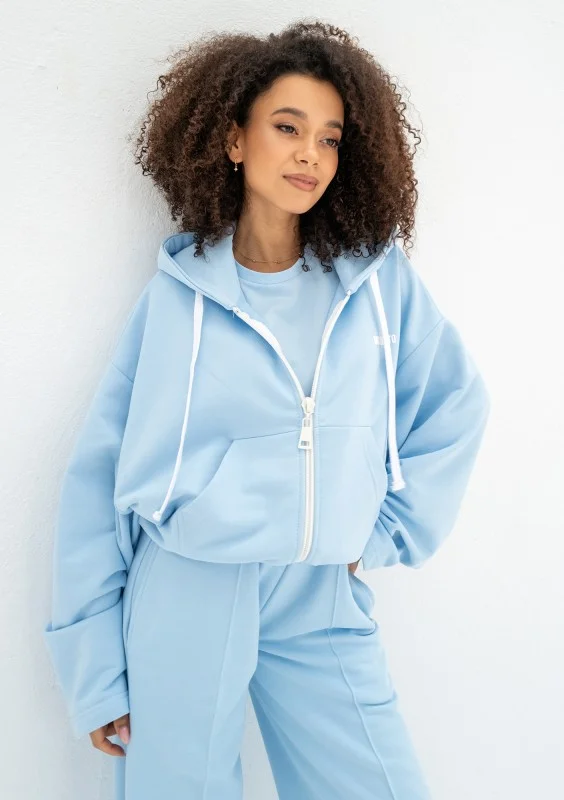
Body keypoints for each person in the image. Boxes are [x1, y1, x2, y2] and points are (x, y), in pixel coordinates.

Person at [43, 19, 490, 800]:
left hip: (321, 591)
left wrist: (384, 531)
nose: (310, 153)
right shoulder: (178, 301)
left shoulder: (375, 282)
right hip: (191, 584)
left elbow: (457, 401)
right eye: (287, 127)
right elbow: (100, 478)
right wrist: (94, 668)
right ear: (234, 140)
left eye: (330, 138)